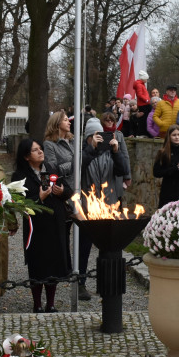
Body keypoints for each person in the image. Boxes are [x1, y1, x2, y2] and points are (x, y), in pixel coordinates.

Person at [12, 138, 74, 313]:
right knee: (38, 264)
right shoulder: (19, 177)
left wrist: (62, 191)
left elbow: (69, 190)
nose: (40, 152)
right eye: (35, 150)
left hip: (55, 224)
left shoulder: (51, 169)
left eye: (40, 148)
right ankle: (37, 304)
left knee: (54, 263)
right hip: (37, 227)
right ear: (26, 156)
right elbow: (18, 203)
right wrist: (39, 198)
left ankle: (51, 303)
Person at [77, 118, 129, 300]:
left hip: (109, 205)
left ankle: (105, 283)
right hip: (88, 207)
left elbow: (122, 170)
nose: (99, 138)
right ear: (88, 137)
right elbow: (78, 167)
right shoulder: (83, 153)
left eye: (100, 134)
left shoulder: (111, 153)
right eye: (94, 135)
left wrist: (116, 151)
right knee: (84, 247)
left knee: (107, 246)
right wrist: (91, 148)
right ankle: (81, 283)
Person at [152, 125, 179, 207]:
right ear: (169, 136)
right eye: (174, 135)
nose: (177, 137)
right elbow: (156, 172)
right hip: (169, 190)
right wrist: (174, 169)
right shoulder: (163, 152)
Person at [42, 110, 74, 179]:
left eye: (68, 120)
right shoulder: (49, 144)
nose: (69, 123)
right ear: (57, 123)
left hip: (79, 182)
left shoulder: (73, 141)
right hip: (63, 183)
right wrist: (73, 164)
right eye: (65, 120)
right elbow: (53, 169)